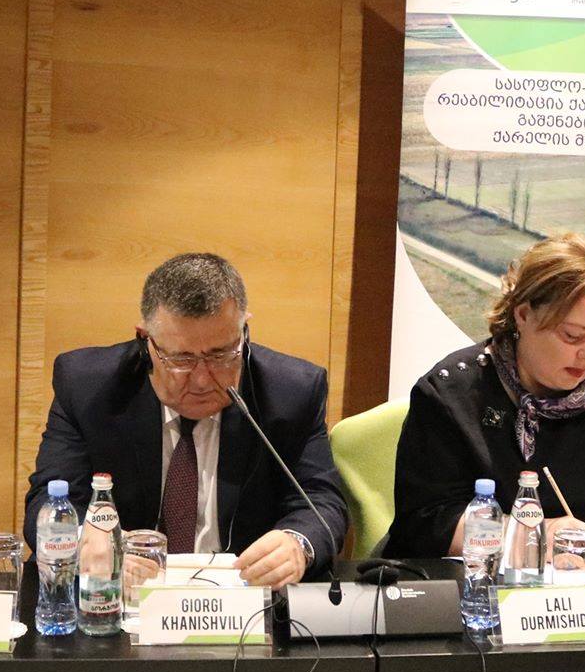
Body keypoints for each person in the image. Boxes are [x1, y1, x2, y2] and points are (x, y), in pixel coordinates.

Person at [24, 252, 346, 588]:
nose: (203, 380)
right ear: (145, 341)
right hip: (117, 596)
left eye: (221, 355)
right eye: (181, 359)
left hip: (242, 599)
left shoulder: (292, 392)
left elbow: (321, 501)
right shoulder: (87, 387)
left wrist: (297, 543)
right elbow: (49, 502)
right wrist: (85, 541)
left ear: (244, 332)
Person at [388, 233, 585, 561]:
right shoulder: (452, 394)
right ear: (523, 315)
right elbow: (426, 523)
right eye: (573, 336)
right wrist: (529, 535)